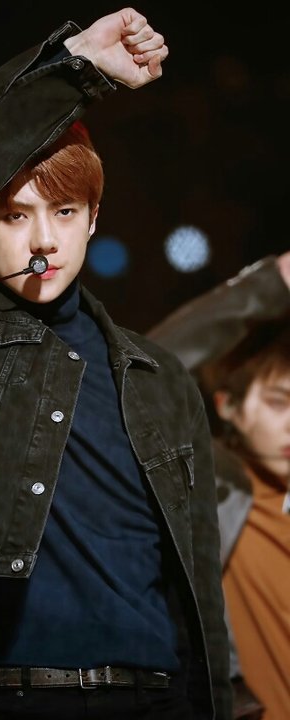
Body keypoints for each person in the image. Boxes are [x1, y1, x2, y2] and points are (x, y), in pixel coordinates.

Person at [0, 8, 232, 719]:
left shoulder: (159, 378)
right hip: (10, 698)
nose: (43, 240)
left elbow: (199, 591)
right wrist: (75, 67)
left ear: (94, 219)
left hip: (154, 702)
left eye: (64, 211)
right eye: (14, 214)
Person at [148, 253, 290, 720]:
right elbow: (148, 378)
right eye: (279, 402)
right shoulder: (213, 484)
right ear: (229, 406)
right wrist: (269, 285)